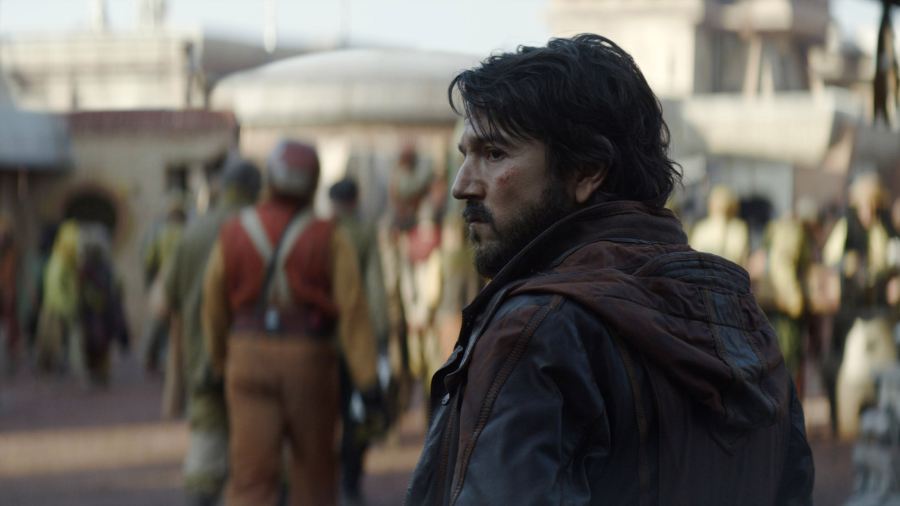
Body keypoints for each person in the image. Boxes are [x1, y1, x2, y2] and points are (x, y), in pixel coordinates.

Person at [407, 34, 813, 505]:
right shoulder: (743, 319)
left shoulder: (534, 333)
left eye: (494, 153)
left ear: (585, 171)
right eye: (465, 156)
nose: (462, 186)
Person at [202, 140, 378, 506]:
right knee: (314, 479)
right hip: (309, 360)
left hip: (247, 357)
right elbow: (353, 310)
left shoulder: (234, 231)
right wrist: (368, 380)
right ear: (312, 182)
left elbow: (214, 306)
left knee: (251, 481)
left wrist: (220, 362)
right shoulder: (330, 235)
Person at [164, 158, 261, 506]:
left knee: (204, 469)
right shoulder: (261, 232)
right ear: (256, 190)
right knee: (258, 468)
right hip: (254, 367)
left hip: (203, 366)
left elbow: (163, 302)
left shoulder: (192, 233)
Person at [329, 178, 390, 506]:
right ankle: (350, 481)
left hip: (325, 339)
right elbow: (375, 285)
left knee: (325, 412)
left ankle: (327, 479)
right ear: (355, 201)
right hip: (358, 339)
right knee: (359, 412)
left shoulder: (322, 232)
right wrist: (380, 334)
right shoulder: (365, 233)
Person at [77, 223, 129, 387]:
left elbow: (114, 286)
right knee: (95, 344)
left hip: (99, 311)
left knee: (98, 343)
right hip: (95, 311)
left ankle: (100, 373)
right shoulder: (90, 268)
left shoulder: (98, 267)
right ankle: (98, 373)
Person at [690, 184, 751, 267]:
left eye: (724, 201)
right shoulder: (701, 228)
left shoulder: (739, 228)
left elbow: (739, 257)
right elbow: (694, 256)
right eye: (717, 201)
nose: (720, 205)